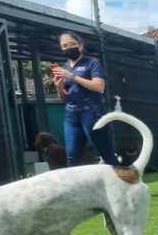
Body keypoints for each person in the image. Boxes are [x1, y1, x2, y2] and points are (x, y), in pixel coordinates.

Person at [50, 32, 120, 166]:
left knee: (106, 153)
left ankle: (123, 181)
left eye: (72, 44)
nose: (68, 48)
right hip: (71, 114)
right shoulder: (64, 68)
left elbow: (99, 87)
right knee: (72, 155)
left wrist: (72, 76)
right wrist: (59, 87)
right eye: (64, 46)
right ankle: (75, 186)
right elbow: (64, 97)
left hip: (91, 112)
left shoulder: (92, 63)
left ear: (80, 46)